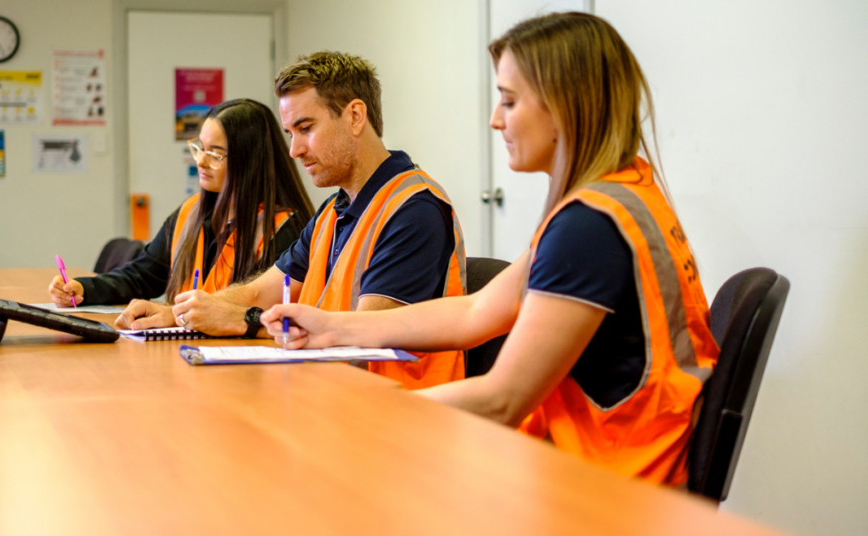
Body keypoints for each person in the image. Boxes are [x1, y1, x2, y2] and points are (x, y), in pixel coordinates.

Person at [261, 13, 719, 487]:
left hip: (615, 487)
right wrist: (332, 327)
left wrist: (365, 409)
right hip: (615, 466)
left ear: (566, 106)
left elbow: (504, 399)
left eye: (510, 101)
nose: (495, 119)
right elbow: (475, 312)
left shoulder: (589, 227)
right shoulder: (619, 194)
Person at [117, 51, 467, 390]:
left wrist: (244, 321)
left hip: (392, 409)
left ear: (355, 116)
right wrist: (182, 314)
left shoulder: (414, 211)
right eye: (290, 133)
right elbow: (259, 291)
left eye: (306, 128)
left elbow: (364, 333)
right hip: (328, 393)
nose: (294, 150)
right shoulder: (333, 211)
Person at [49, 99, 314, 307]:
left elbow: (264, 309)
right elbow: (144, 275)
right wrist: (83, 289)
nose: (201, 161)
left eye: (215, 154)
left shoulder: (285, 229)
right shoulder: (192, 211)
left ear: (250, 161)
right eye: (200, 148)